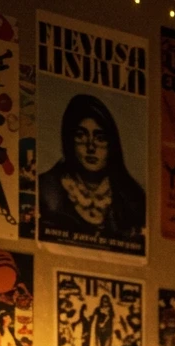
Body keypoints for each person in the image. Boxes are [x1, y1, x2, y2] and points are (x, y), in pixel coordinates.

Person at [38, 93, 146, 241]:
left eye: (100, 138)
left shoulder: (133, 199)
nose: (91, 147)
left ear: (112, 145)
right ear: (69, 140)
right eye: (81, 136)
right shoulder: (45, 190)